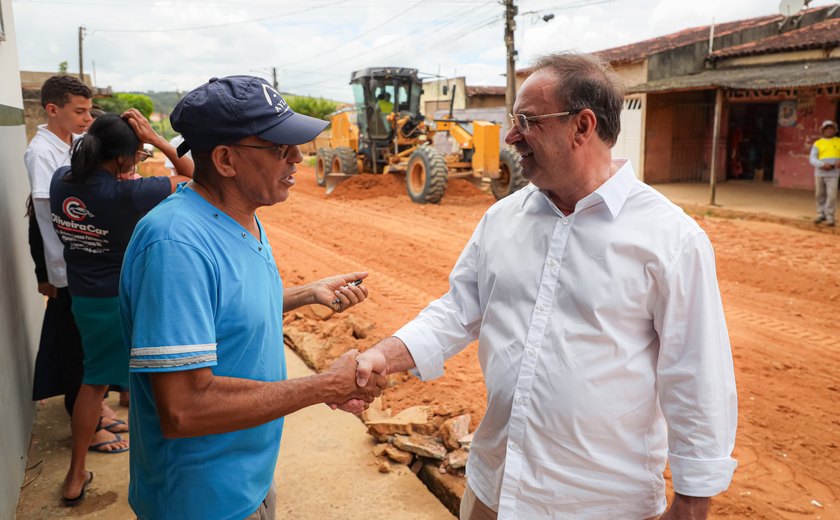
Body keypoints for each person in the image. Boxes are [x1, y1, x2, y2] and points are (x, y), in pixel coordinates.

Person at [354, 52, 738, 520]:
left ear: (582, 126)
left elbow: (696, 375)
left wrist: (694, 501)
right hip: (493, 489)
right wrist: (381, 356)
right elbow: (458, 310)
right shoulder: (502, 218)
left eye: (527, 121)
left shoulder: (672, 240)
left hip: (599, 505)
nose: (512, 136)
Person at [118, 76, 386, 520]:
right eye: (280, 147)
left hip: (247, 478)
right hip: (201, 499)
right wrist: (323, 386)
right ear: (225, 159)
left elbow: (221, 309)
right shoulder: (176, 245)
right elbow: (185, 408)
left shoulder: (241, 217)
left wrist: (305, 293)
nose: (298, 157)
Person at [50, 110, 194, 506]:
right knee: (152, 379)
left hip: (83, 296)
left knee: (93, 381)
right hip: (126, 298)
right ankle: (168, 473)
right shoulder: (129, 194)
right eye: (139, 153)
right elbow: (198, 177)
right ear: (121, 159)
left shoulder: (61, 180)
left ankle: (75, 475)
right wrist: (162, 141)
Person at [24, 75, 129, 446]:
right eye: (80, 111)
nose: (88, 118)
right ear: (53, 110)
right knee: (75, 350)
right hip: (70, 268)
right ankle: (83, 424)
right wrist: (51, 271)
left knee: (89, 345)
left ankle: (95, 408)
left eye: (88, 110)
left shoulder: (76, 142)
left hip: (82, 263)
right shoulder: (42, 152)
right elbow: (47, 220)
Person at [809, 119, 840, 226]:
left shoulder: (839, 141)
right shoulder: (818, 143)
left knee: (832, 195)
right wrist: (822, 165)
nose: (829, 131)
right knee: (819, 194)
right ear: (823, 131)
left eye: (831, 129)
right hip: (820, 173)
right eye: (827, 129)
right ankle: (820, 214)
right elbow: (812, 159)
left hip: (834, 173)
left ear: (835, 130)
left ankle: (830, 216)